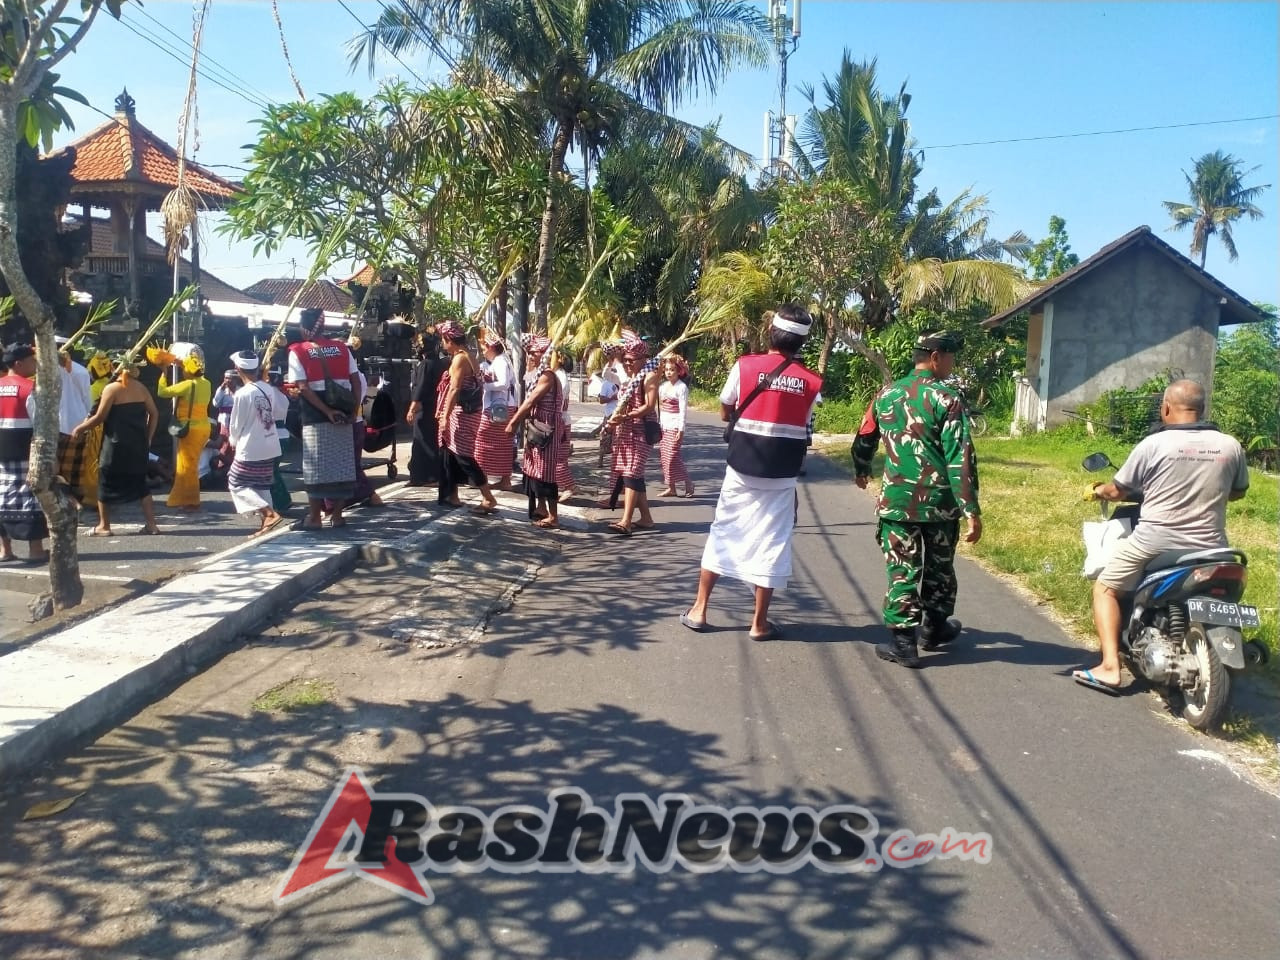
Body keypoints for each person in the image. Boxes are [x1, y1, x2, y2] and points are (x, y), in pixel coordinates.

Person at [1074, 379, 1249, 693]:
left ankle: (1110, 667)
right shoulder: (1230, 445)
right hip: (1213, 546)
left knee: (1105, 588)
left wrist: (1098, 490)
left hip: (1154, 541)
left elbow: (1118, 490)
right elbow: (1237, 492)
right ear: (1201, 408)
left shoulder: (1152, 445)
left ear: (1166, 407)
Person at [680, 306, 822, 640]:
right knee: (772, 542)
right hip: (783, 473)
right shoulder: (813, 382)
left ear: (770, 333)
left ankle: (700, 609)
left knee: (724, 531)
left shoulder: (745, 366)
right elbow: (805, 423)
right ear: (802, 343)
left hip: (742, 468)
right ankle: (759, 624)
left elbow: (725, 408)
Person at [852, 330, 982, 668]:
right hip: (940, 505)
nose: (953, 364)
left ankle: (904, 644)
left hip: (897, 503)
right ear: (936, 356)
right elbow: (960, 457)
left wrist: (861, 468)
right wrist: (971, 508)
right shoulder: (948, 399)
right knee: (940, 569)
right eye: (951, 357)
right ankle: (934, 628)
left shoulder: (886, 394)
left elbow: (865, 435)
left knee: (903, 571)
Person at [286, 307, 361, 529]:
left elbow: (303, 388)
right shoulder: (341, 348)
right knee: (341, 466)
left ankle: (315, 518)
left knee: (315, 468)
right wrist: (353, 410)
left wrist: (326, 411)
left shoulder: (297, 351)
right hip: (344, 412)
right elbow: (355, 382)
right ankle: (337, 516)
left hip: (315, 414)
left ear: (305, 327)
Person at [71, 359, 160, 536]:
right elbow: (154, 413)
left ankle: (104, 526)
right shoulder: (141, 388)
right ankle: (152, 525)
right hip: (138, 445)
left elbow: (100, 417)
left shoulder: (111, 389)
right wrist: (148, 438)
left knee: (104, 481)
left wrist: (80, 428)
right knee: (141, 484)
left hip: (115, 445)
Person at [435, 321, 498, 515]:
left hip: (462, 413)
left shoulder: (460, 359)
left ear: (449, 340)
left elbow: (455, 389)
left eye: (444, 341)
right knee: (450, 453)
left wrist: (445, 416)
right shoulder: (469, 355)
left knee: (463, 455)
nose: (443, 345)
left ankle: (488, 497)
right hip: (465, 412)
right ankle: (451, 494)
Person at [226, 350, 289, 538]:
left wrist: (233, 441)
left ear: (238, 369)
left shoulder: (242, 394)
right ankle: (266, 526)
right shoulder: (268, 388)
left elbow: (236, 424)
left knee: (236, 482)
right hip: (270, 441)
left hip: (251, 445)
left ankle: (268, 513)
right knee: (261, 485)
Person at [605, 331, 661, 534]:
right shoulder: (630, 377)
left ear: (643, 359)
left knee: (631, 473)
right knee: (634, 475)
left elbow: (648, 406)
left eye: (631, 361)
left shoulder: (650, 375)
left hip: (641, 430)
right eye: (625, 360)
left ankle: (626, 521)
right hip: (625, 431)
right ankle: (646, 518)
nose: (627, 364)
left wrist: (625, 417)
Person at [506, 334, 563, 529]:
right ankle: (541, 507)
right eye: (528, 353)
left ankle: (553, 515)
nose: (530, 356)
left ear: (544, 354)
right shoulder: (538, 374)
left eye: (533, 353)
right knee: (534, 468)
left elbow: (530, 401)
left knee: (545, 471)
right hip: (536, 426)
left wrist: (513, 422)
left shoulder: (547, 376)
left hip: (547, 428)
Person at [0, 344, 49, 562]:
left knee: (1, 499)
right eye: (31, 360)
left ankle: (5, 550)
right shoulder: (29, 388)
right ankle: (35, 550)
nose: (35, 364)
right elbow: (40, 424)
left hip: (2, 454)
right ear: (18, 363)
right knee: (30, 499)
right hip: (25, 452)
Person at [156, 350, 212, 511]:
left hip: (190, 430)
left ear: (188, 370)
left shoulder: (188, 385)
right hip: (203, 428)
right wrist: (181, 362)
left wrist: (163, 373)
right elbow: (192, 370)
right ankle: (185, 499)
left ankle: (191, 501)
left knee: (187, 467)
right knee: (190, 465)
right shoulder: (206, 383)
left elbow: (162, 392)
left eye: (183, 369)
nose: (182, 371)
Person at [475, 334, 517, 490]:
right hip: (502, 406)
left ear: (491, 347)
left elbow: (504, 383)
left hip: (498, 407)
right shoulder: (501, 361)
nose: (483, 351)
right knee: (504, 444)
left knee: (481, 441)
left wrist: (485, 386)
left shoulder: (500, 361)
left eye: (484, 347)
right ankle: (504, 480)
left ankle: (483, 478)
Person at [54, 337, 93, 506]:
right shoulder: (81, 371)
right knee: (72, 470)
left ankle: (66, 502)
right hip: (76, 424)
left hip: (65, 425)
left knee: (62, 469)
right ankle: (71, 502)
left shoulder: (77, 371)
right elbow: (88, 401)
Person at [406, 332, 446, 486]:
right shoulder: (439, 363)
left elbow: (420, 388)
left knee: (422, 442)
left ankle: (426, 476)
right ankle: (427, 475)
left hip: (425, 409)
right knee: (430, 441)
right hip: (435, 407)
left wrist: (412, 409)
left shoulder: (426, 364)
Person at [657, 354, 694, 498]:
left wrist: (681, 429)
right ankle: (671, 487)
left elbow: (683, 410)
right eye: (666, 369)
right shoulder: (663, 387)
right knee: (665, 457)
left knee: (673, 456)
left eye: (672, 369)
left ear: (679, 371)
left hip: (675, 426)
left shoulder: (682, 388)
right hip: (663, 426)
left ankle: (688, 482)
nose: (669, 372)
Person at [553, 352, 575, 498]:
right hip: (560, 419)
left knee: (558, 457)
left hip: (559, 421)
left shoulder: (559, 377)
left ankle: (569, 486)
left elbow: (558, 404)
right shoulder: (557, 375)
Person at [213, 369, 237, 437]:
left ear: (235, 379)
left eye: (230, 378)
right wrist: (221, 390)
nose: (227, 380)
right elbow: (216, 404)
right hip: (224, 421)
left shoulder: (241, 390)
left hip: (237, 421)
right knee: (225, 440)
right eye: (226, 378)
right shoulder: (222, 390)